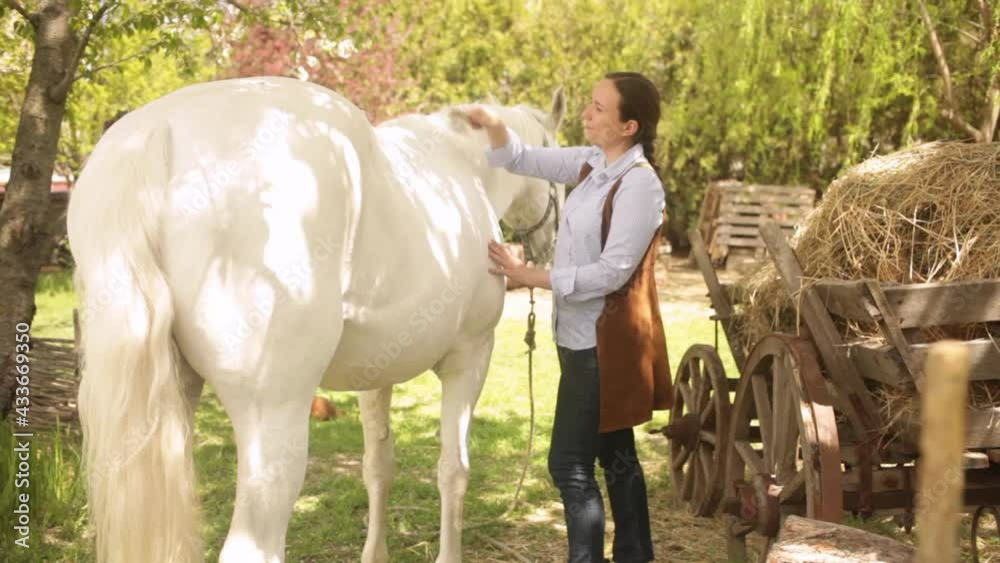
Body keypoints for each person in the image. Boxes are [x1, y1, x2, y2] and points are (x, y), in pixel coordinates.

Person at [467, 72, 672, 563]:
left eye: (599, 109)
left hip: (604, 344)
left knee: (569, 465)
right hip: (577, 335)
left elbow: (610, 273)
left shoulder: (639, 187)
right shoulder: (590, 163)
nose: (586, 115)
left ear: (629, 126)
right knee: (616, 455)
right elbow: (519, 158)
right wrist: (493, 123)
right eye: (590, 104)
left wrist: (527, 274)